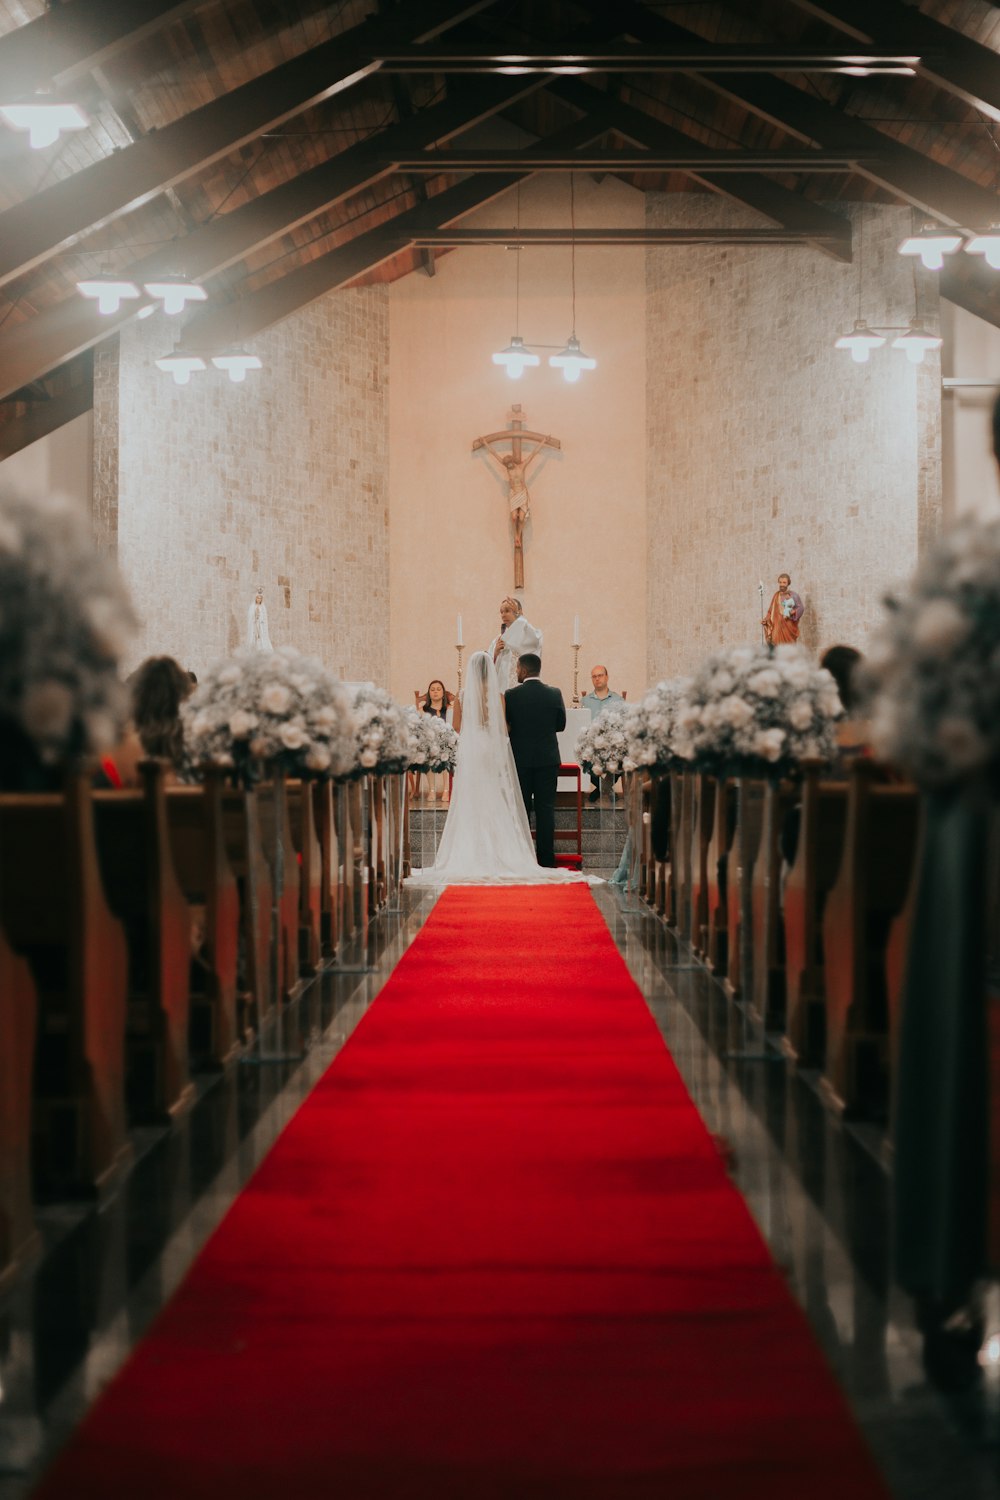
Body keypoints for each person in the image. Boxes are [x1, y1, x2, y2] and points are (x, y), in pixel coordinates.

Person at [408, 653, 588, 886]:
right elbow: (504, 730)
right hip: (497, 752)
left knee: (472, 801)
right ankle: (524, 855)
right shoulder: (500, 696)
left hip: (473, 751)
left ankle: (471, 851)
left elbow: (456, 728)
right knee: (504, 801)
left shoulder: (464, 696)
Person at [503, 652, 566, 868]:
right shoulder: (554, 693)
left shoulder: (511, 695)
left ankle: (522, 859)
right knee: (545, 809)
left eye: (517, 669)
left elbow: (506, 726)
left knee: (521, 810)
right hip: (547, 759)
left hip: (520, 760)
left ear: (523, 669)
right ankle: (547, 860)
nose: (516, 672)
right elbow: (561, 725)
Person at [581, 664, 625, 803]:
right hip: (591, 745)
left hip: (612, 744)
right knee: (581, 758)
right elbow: (582, 725)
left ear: (607, 677)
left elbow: (623, 723)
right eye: (594, 676)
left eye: (600, 675)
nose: (597, 679)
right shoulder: (585, 701)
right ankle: (605, 788)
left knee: (623, 758)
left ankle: (601, 789)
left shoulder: (618, 700)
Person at [488, 596, 543, 693]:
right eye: (501, 612)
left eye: (507, 611)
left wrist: (520, 617)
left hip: (523, 690)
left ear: (519, 612)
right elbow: (487, 666)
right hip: (502, 691)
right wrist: (495, 654)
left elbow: (535, 642)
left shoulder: (529, 634)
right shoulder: (497, 640)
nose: (503, 615)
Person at [416, 677, 453, 802]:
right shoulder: (422, 710)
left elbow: (452, 728)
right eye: (432, 690)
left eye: (438, 689)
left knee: (447, 753)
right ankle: (432, 790)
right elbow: (421, 729)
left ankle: (446, 791)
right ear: (429, 693)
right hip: (430, 742)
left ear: (443, 693)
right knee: (428, 752)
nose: (435, 692)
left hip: (446, 742)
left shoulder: (449, 709)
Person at [762, 572, 804, 645]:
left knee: (789, 646)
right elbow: (770, 611)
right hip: (777, 625)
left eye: (784, 582)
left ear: (788, 583)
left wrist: (793, 612)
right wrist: (766, 619)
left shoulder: (793, 595)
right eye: (780, 582)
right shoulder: (776, 595)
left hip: (788, 624)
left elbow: (801, 608)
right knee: (776, 646)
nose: (782, 584)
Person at [247, 587, 273, 652]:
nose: (259, 599)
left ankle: (262, 652)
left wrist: (261, 619)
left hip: (261, 626)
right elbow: (250, 616)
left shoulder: (263, 607)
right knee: (254, 637)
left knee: (261, 638)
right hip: (254, 625)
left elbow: (264, 617)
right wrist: (255, 616)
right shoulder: (252, 606)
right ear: (256, 598)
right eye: (258, 598)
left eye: (260, 598)